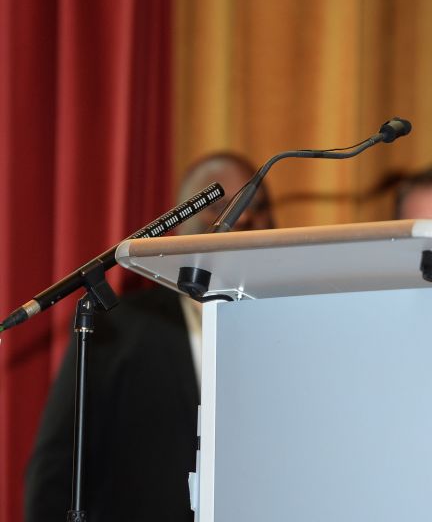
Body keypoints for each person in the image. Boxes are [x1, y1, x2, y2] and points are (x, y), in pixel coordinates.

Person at [24, 152, 274, 522]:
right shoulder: (117, 327)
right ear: (178, 223)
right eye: (220, 207)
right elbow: (56, 469)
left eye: (258, 207)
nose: (246, 218)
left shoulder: (285, 326)